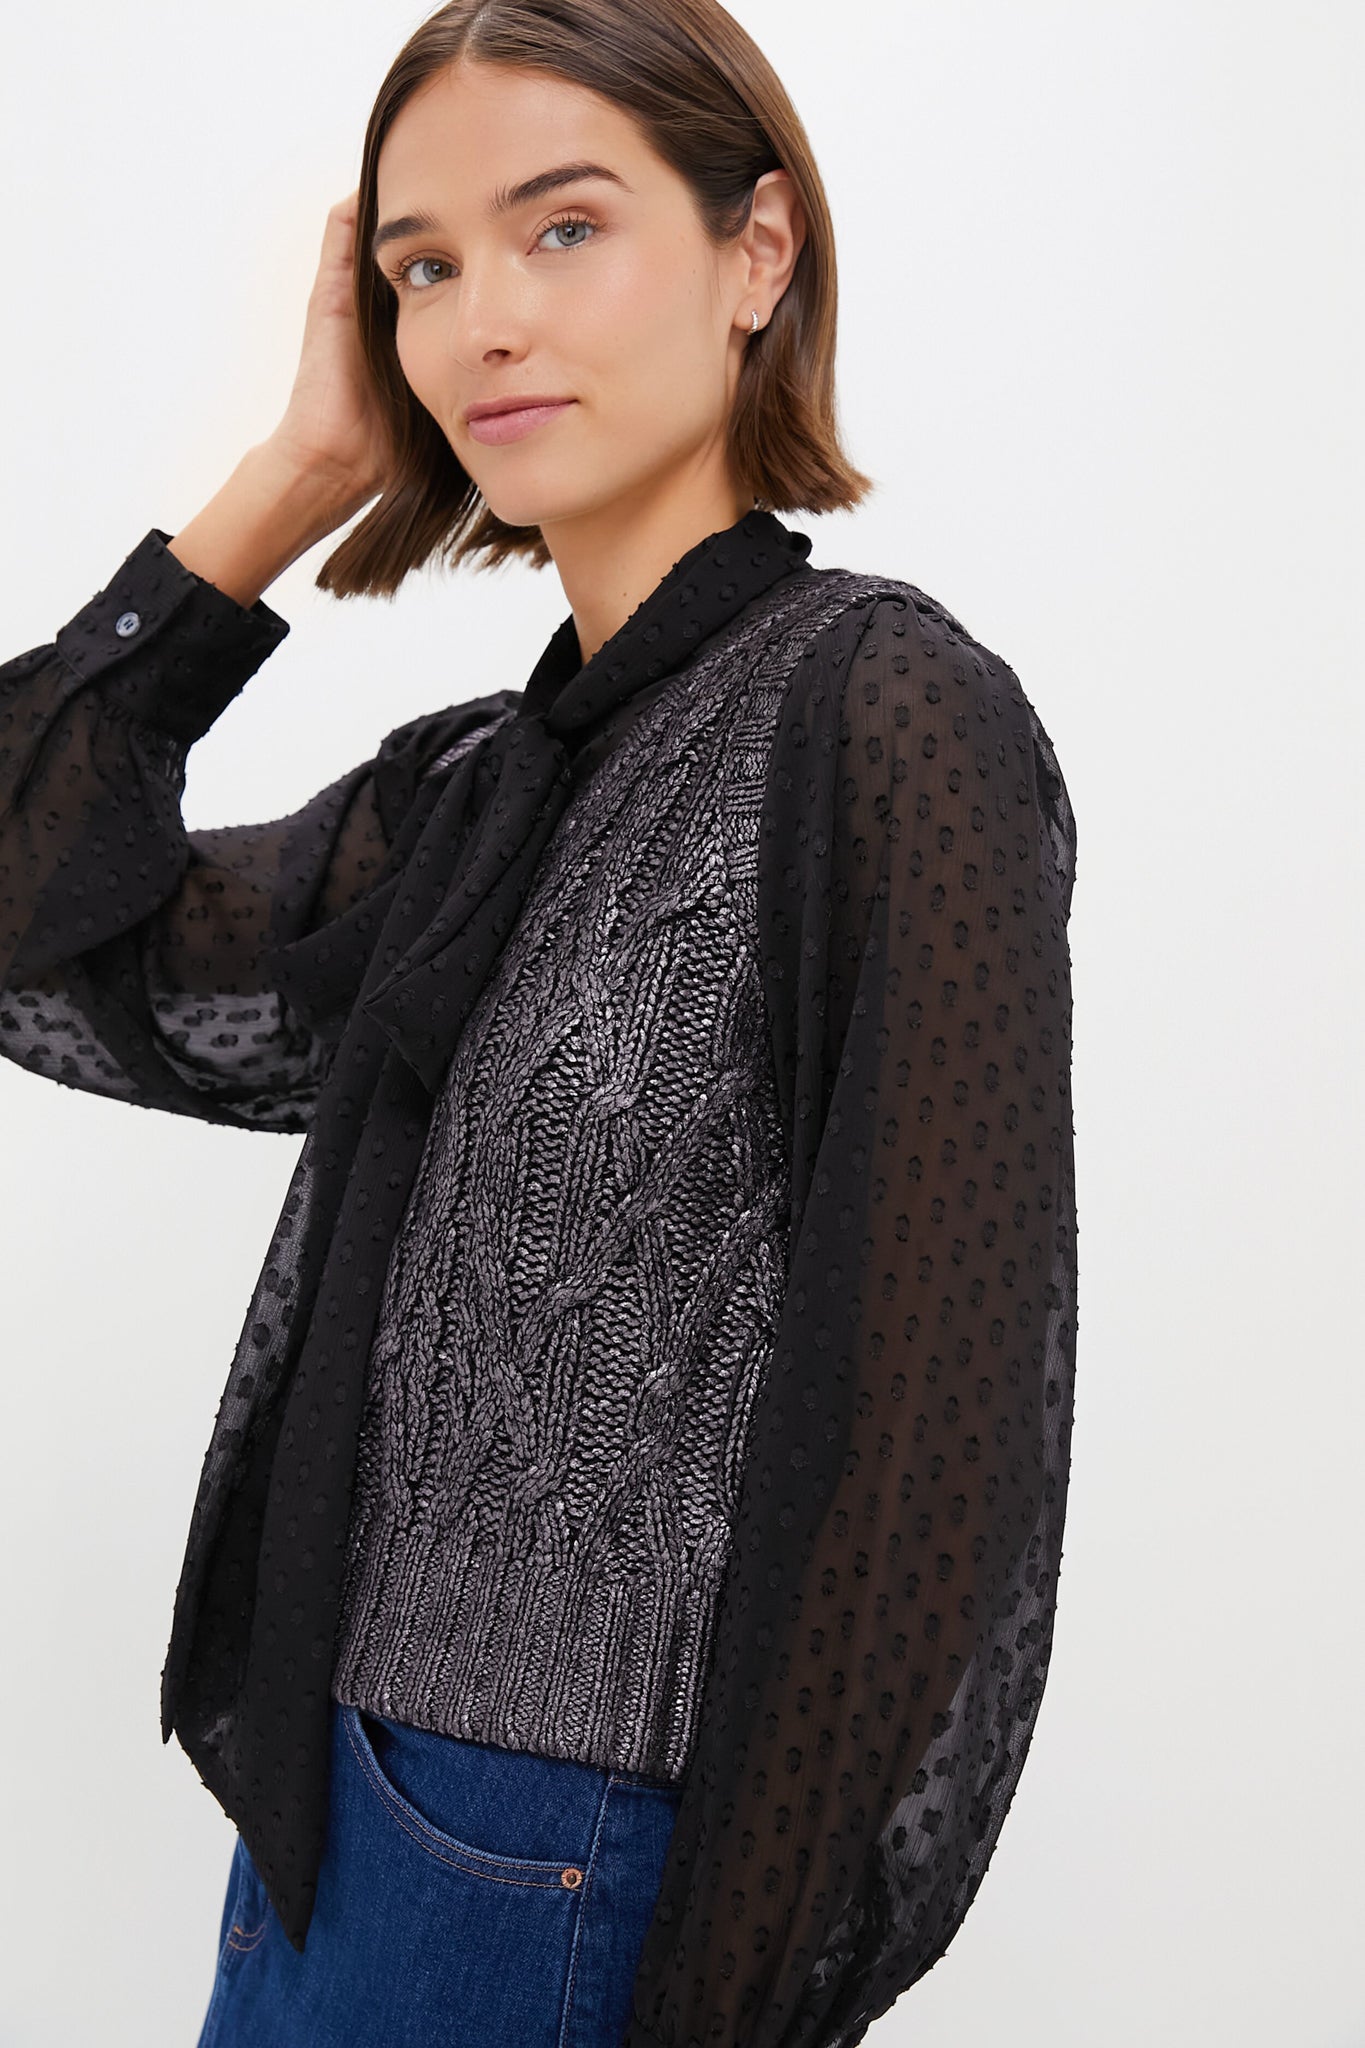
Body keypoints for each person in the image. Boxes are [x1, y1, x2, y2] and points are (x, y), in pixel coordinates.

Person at [0, 2, 1080, 2043]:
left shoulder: (882, 720)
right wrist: (286, 484)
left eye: (562, 228)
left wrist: (729, 2000)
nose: (483, 320)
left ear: (756, 250)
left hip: (573, 1866)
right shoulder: (477, 796)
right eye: (422, 268)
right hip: (324, 1815)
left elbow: (928, 1465)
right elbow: (26, 931)